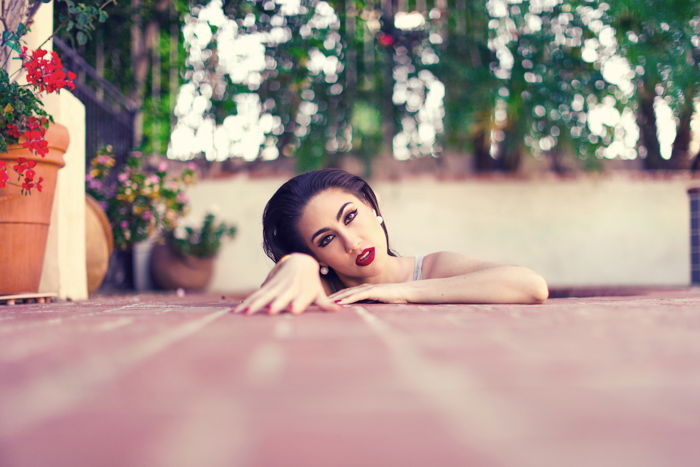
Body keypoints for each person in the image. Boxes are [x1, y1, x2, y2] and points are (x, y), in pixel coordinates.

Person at [233, 169, 548, 315]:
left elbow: (531, 286)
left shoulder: (433, 267)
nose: (352, 242)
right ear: (318, 257)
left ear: (373, 209)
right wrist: (296, 264)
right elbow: (275, 292)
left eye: (350, 216)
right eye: (327, 239)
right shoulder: (321, 287)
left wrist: (399, 292)